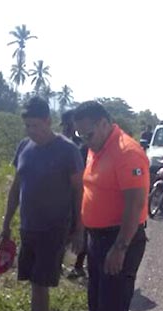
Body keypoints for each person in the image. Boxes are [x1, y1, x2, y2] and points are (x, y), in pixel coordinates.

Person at [72, 101, 149, 311]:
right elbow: (92, 191)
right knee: (96, 307)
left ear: (104, 123)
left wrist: (119, 247)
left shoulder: (127, 151)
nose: (84, 140)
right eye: (80, 135)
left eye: (88, 133)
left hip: (120, 239)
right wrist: (82, 230)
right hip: (97, 239)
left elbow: (135, 204)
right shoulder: (97, 147)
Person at [0, 97, 84, 311]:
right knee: (33, 280)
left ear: (48, 122)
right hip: (29, 225)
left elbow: (79, 192)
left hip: (55, 226)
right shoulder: (24, 146)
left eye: (35, 125)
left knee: (39, 281)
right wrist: (6, 224)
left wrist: (79, 229)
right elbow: (16, 187)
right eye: (27, 126)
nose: (31, 131)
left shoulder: (68, 150)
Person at [61, 109, 90, 279]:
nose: (66, 128)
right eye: (64, 125)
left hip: (81, 191)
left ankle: (79, 265)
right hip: (62, 193)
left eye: (68, 125)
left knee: (81, 228)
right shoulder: (57, 143)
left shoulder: (82, 145)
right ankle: (58, 264)